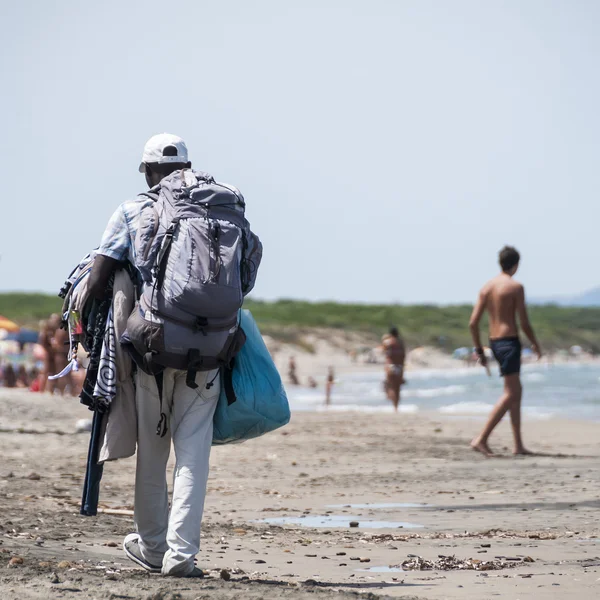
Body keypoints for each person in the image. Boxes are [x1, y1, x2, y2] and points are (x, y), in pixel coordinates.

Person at [87, 133, 260, 578]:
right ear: (187, 167)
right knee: (193, 458)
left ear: (147, 171)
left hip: (153, 350)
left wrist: (87, 331)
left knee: (154, 454)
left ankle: (151, 546)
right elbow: (247, 274)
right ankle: (181, 554)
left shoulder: (132, 209)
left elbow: (100, 272)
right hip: (209, 353)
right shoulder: (223, 208)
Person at [469, 246, 542, 457]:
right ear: (516, 264)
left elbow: (473, 323)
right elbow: (524, 322)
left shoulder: (487, 287)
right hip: (509, 341)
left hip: (494, 342)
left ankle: (518, 445)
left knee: (515, 393)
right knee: (512, 392)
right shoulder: (515, 286)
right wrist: (535, 343)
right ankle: (481, 439)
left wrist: (479, 351)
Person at [381, 327, 406, 412]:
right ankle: (396, 407)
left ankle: (390, 397)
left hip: (390, 366)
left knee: (389, 385)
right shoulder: (401, 343)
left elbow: (383, 349)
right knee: (397, 388)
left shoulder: (388, 342)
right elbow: (403, 356)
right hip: (399, 366)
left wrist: (385, 337)